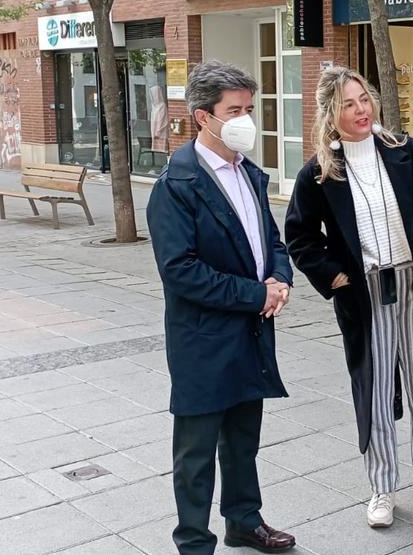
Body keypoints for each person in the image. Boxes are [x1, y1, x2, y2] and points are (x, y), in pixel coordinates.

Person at [285, 66, 413, 530]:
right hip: (365, 293)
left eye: (364, 100)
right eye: (349, 104)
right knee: (373, 392)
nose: (360, 110)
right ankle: (382, 488)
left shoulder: (403, 151)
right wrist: (334, 278)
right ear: (330, 113)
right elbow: (299, 237)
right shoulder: (319, 173)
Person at [147, 60, 296, 555]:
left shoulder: (249, 173)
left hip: (249, 331)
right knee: (195, 449)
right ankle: (193, 541)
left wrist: (279, 277)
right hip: (203, 336)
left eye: (249, 109)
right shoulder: (177, 184)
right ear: (202, 118)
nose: (245, 120)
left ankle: (243, 521)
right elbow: (181, 271)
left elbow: (270, 240)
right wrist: (257, 294)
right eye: (235, 110)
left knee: (242, 437)